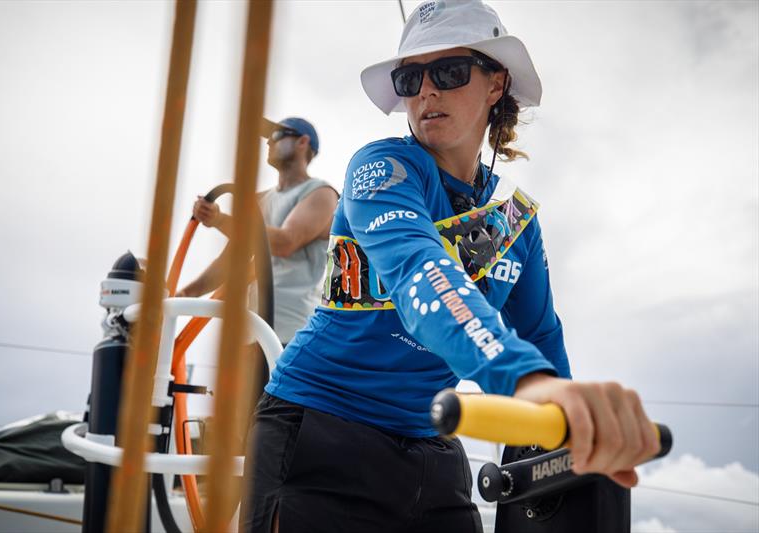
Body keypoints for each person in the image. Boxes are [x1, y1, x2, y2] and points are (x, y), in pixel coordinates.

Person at [240, 2, 660, 532]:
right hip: (319, 429)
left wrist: (571, 436)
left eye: (449, 72)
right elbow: (421, 271)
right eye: (410, 77)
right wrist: (526, 381)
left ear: (495, 84)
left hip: (433, 442)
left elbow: (541, 338)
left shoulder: (517, 223)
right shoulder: (382, 168)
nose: (425, 91)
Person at [177, 117, 339, 345]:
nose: (269, 143)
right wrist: (182, 296)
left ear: (303, 142)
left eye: (276, 136)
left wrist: (219, 219)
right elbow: (230, 263)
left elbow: (285, 242)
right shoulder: (260, 201)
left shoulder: (321, 194)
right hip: (250, 334)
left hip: (293, 336)